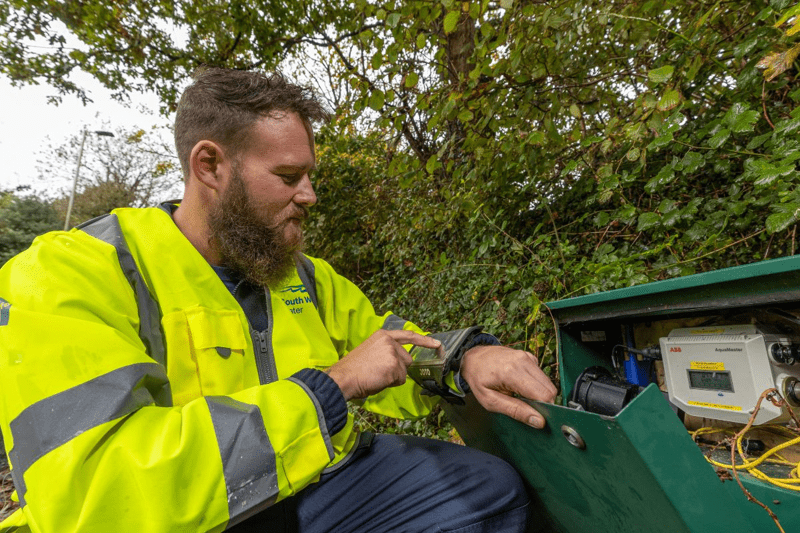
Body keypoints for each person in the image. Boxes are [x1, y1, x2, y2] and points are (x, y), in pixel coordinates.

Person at [0, 68, 557, 533]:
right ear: (209, 166)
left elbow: (397, 344)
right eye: (288, 176)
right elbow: (99, 493)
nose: (309, 195)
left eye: (308, 175)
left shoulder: (298, 276)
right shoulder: (71, 273)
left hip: (305, 484)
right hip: (182, 520)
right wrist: (330, 390)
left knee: (490, 489)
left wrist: (466, 358)